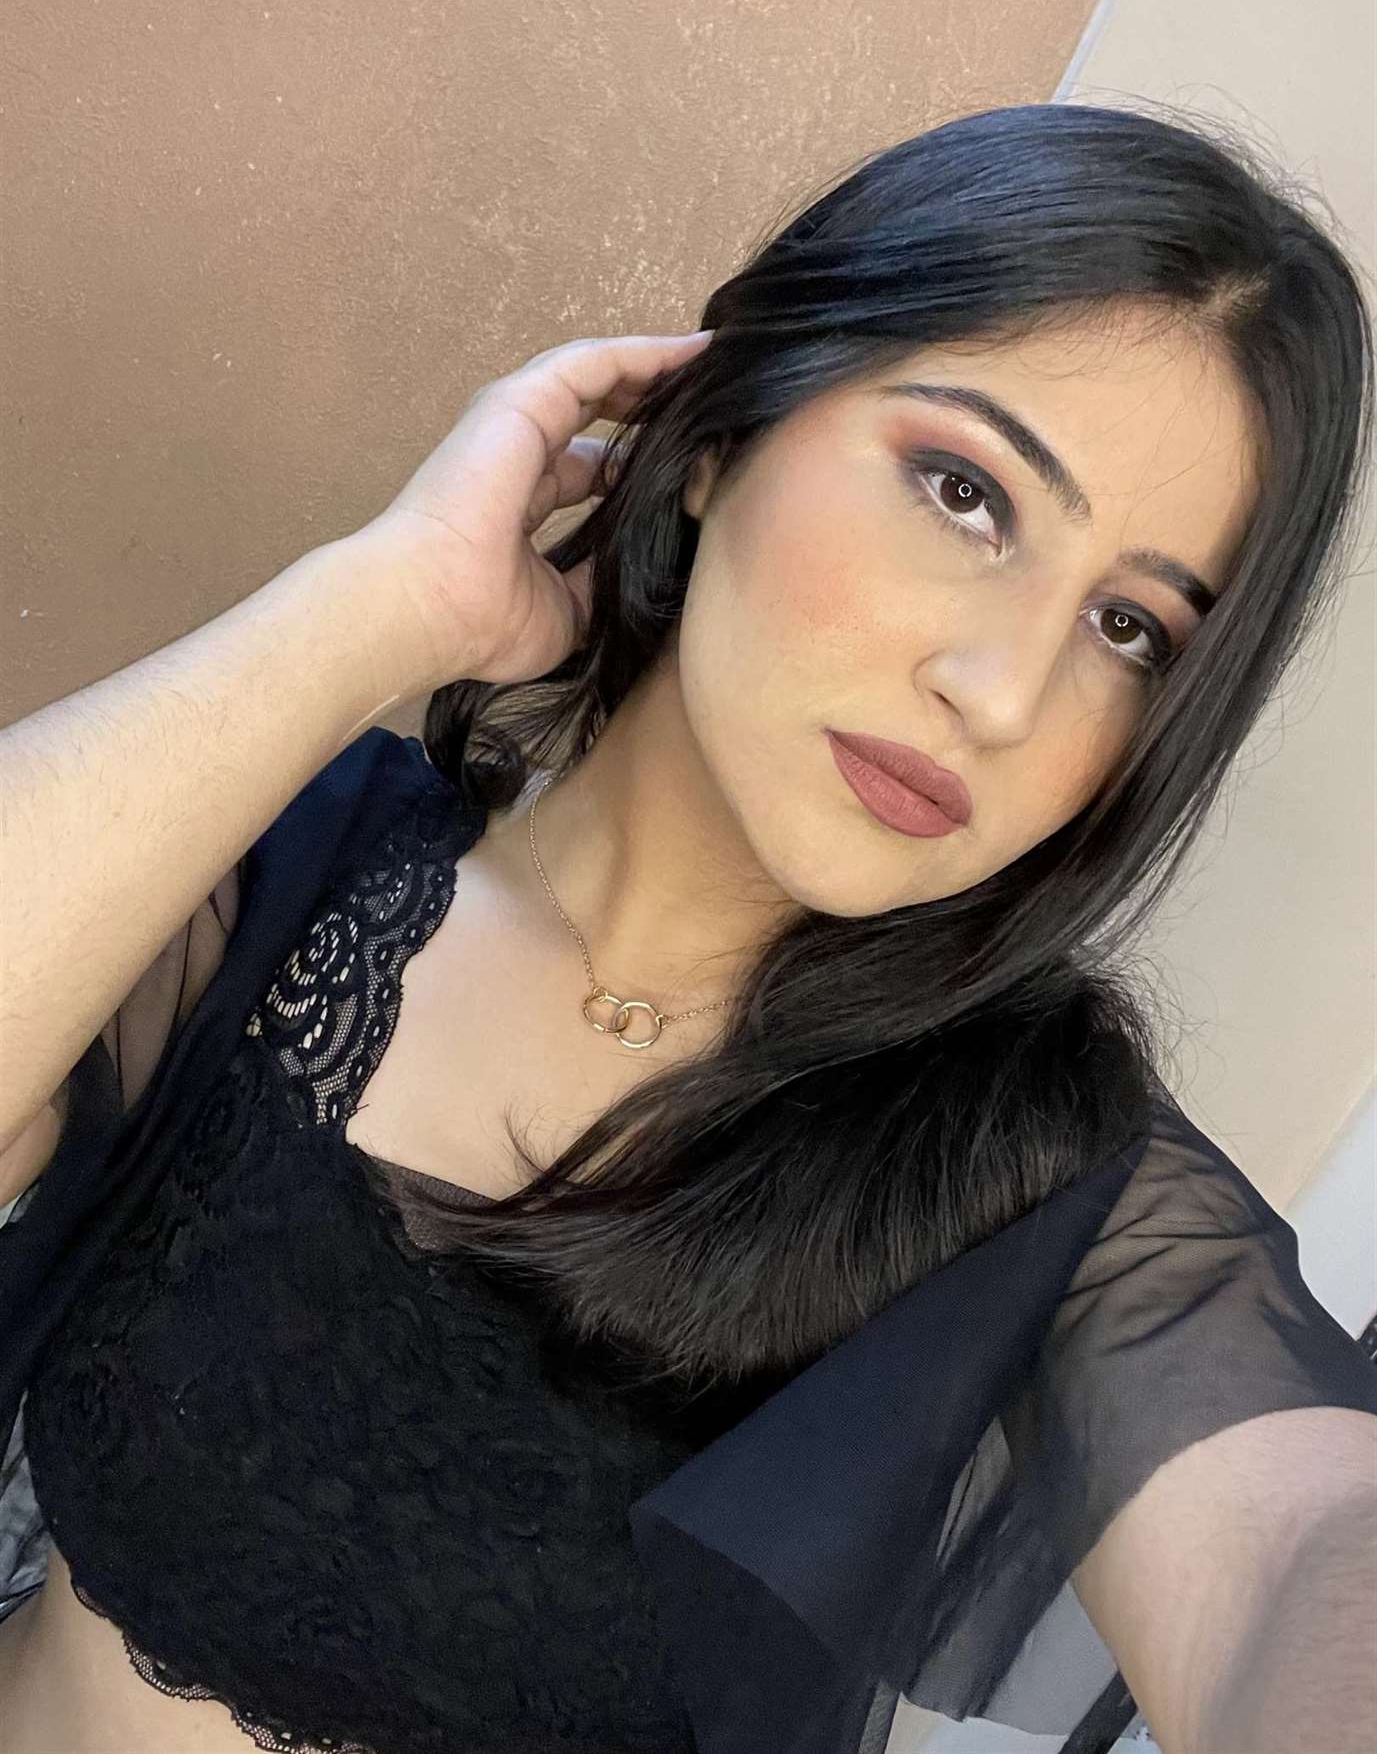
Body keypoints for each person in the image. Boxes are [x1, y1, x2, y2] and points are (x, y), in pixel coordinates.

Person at [1, 100, 1374, 1754]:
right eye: (963, 491)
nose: (1004, 692)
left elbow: (1294, 1557)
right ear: (723, 431)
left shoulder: (1035, 1173)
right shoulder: (285, 882)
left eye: (1130, 629)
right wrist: (385, 602)